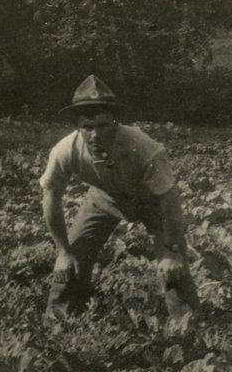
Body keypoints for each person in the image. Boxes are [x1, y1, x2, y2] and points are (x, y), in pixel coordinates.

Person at [40, 75, 199, 323]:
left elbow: (170, 201)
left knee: (172, 269)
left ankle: (191, 332)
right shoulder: (64, 150)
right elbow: (50, 195)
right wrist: (62, 250)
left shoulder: (144, 147)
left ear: (116, 123)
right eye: (87, 127)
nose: (94, 135)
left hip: (152, 203)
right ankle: (59, 327)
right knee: (73, 258)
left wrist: (172, 250)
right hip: (105, 197)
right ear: (77, 127)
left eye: (103, 125)